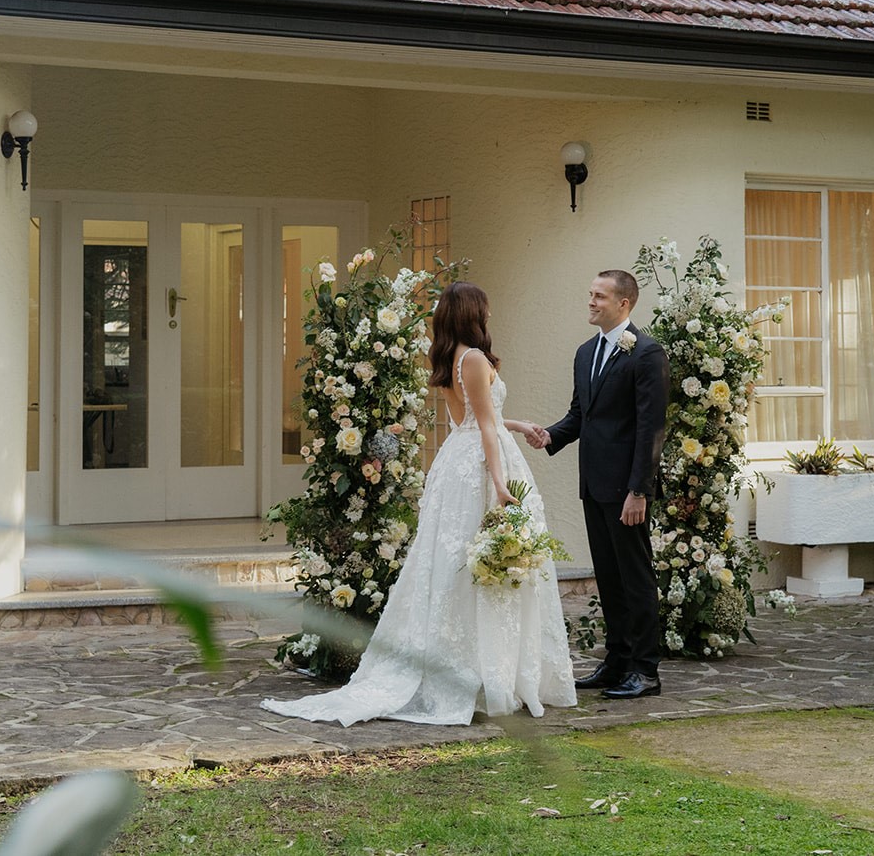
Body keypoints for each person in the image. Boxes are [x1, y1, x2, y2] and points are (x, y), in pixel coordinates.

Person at [261, 281, 576, 726]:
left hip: (459, 461)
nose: (489, 317)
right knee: (481, 563)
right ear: (471, 314)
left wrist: (519, 424)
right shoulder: (475, 359)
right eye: (484, 310)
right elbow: (484, 426)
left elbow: (476, 416)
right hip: (481, 466)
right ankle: (485, 674)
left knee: (457, 564)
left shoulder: (453, 357)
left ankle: (481, 669)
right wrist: (501, 484)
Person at [528, 269, 668, 699]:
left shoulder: (647, 354)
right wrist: (551, 435)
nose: (591, 302)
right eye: (589, 294)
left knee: (635, 579)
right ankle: (617, 661)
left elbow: (651, 428)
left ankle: (645, 670)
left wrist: (639, 490)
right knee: (609, 578)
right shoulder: (586, 352)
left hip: (628, 491)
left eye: (599, 296)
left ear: (623, 304)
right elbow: (581, 416)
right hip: (594, 485)